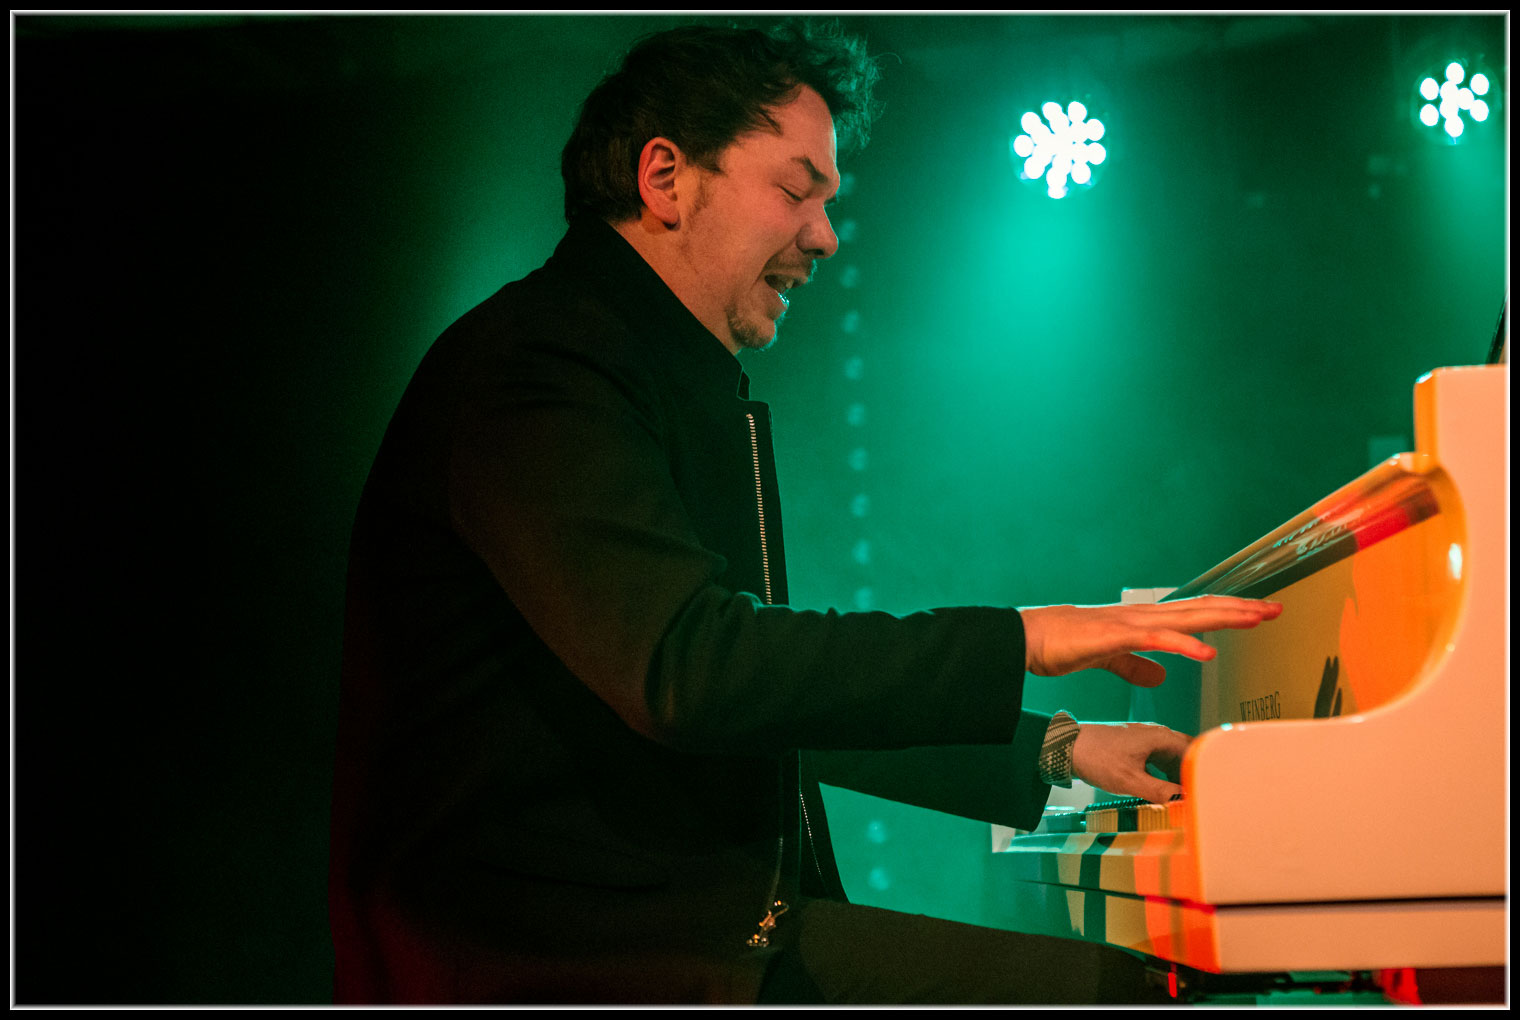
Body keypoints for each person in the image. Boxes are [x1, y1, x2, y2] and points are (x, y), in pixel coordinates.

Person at [329, 20, 1282, 1004]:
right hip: (560, 961)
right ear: (665, 178)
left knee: (1130, 987)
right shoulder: (538, 368)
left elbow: (763, 697)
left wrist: (1054, 749)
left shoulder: (638, 370)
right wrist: (1022, 639)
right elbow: (690, 674)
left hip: (678, 933)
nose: (825, 235)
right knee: (1122, 996)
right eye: (796, 190)